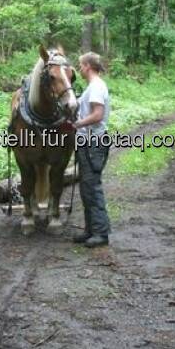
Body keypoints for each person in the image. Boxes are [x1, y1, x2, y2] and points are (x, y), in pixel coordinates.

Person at [72, 52, 111, 248]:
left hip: (93, 144)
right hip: (87, 143)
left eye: (80, 65)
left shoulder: (96, 87)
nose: (79, 68)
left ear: (88, 66)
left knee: (92, 187)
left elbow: (97, 115)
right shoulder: (92, 87)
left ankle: (101, 233)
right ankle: (90, 230)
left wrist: (77, 125)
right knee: (86, 188)